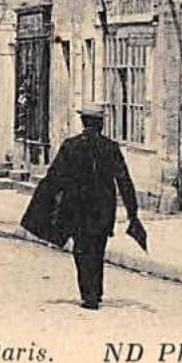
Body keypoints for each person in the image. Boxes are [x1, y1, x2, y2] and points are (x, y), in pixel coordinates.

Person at [21, 107, 143, 311]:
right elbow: (124, 181)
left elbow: (54, 177)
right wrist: (133, 213)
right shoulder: (110, 147)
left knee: (81, 250)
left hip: (77, 208)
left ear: (84, 123)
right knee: (98, 249)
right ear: (101, 124)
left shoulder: (71, 146)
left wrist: (43, 206)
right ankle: (96, 292)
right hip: (104, 209)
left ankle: (89, 294)